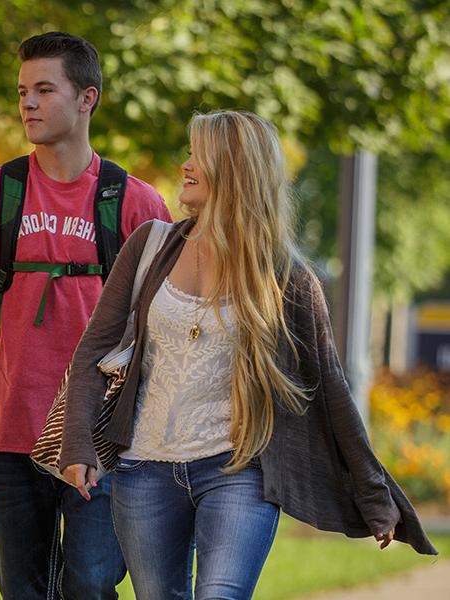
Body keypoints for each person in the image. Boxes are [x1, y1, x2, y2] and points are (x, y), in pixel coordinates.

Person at [59, 110, 437, 598]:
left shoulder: (285, 277)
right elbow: (95, 347)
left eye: (198, 155)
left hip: (238, 469)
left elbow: (331, 386)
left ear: (234, 167)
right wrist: (77, 443)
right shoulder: (150, 246)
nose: (185, 165)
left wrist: (374, 493)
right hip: (144, 468)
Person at [0, 31, 171, 599]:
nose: (29, 104)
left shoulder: (136, 202)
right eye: (23, 92)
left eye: (45, 89)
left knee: (90, 584)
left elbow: (161, 325)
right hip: (10, 425)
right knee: (22, 589)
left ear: (87, 98)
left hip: (99, 432)